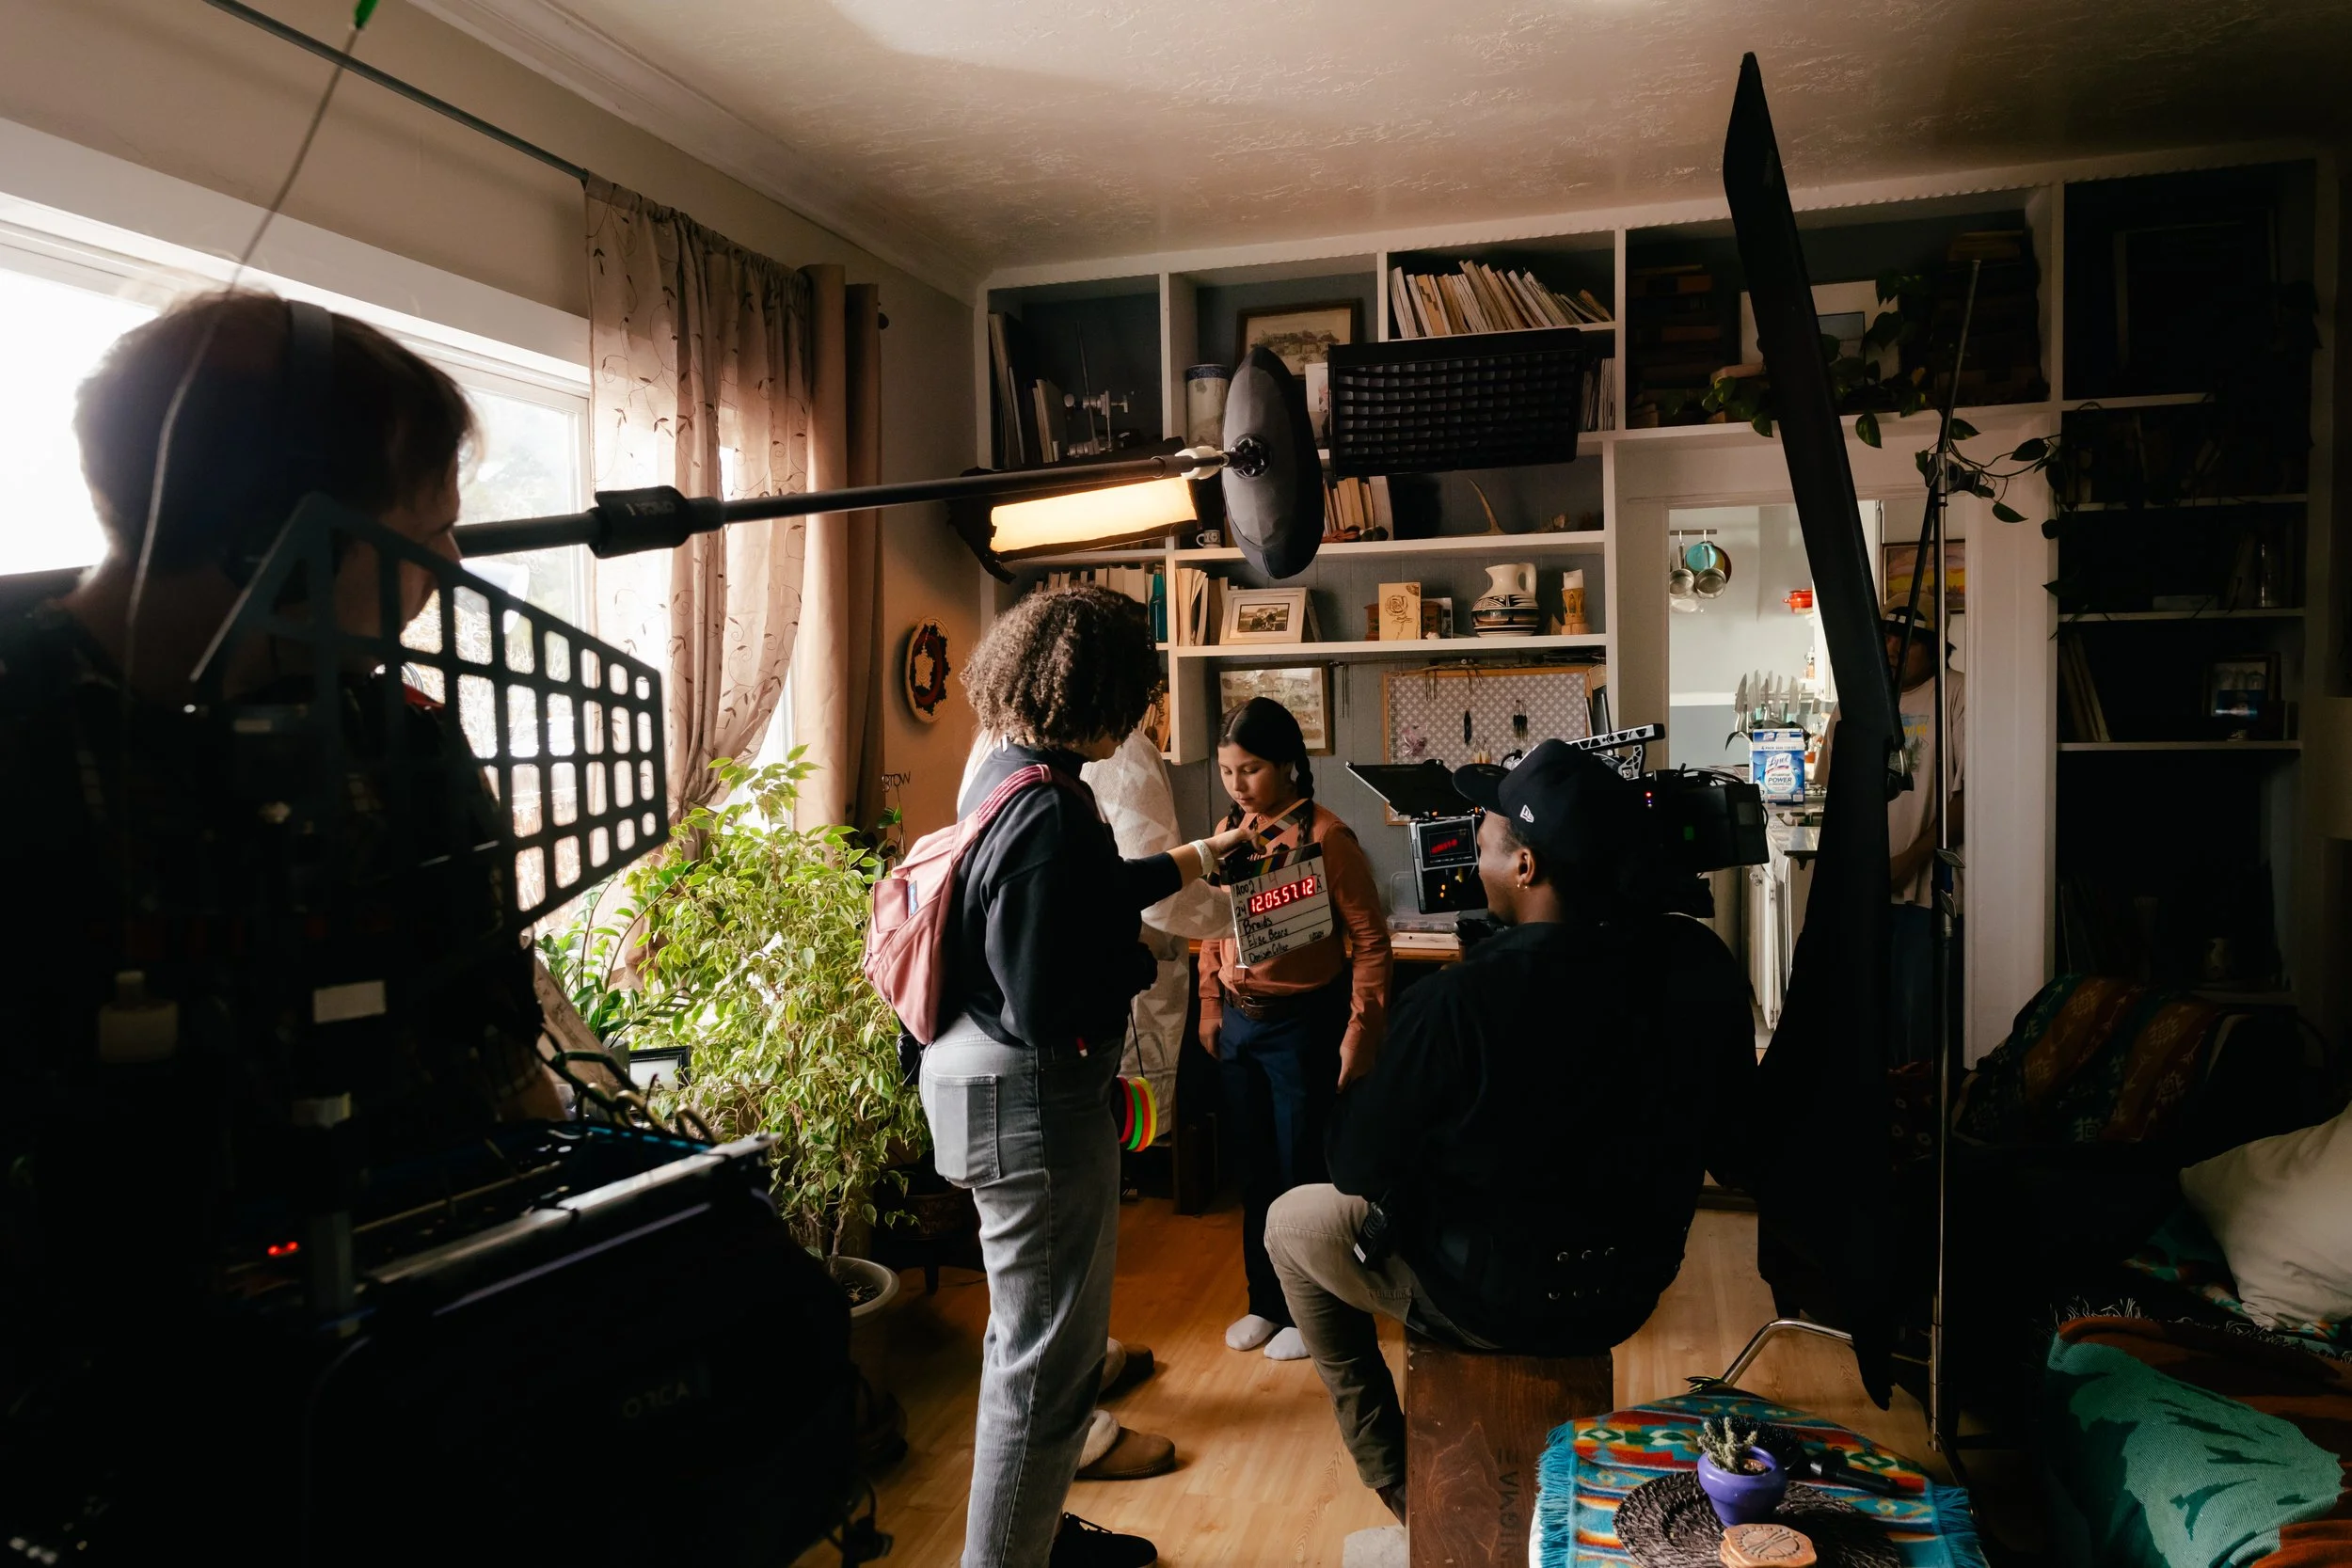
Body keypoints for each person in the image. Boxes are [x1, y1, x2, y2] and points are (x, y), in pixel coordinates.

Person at [0, 292, 564, 1547]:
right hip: (107, 1456)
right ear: (268, 531)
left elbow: (497, 1048)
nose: (451, 567)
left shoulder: (402, 741)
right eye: (424, 528)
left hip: (409, 1387)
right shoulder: (23, 744)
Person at [1262, 740, 1756, 1520]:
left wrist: (1359, 1069)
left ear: (1526, 867)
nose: (1473, 850)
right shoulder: (1700, 963)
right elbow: (1735, 1147)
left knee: (1289, 1225)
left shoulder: (1461, 1002)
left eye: (1485, 835)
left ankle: (1394, 1478)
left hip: (1491, 1295)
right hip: (1629, 1282)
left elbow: (1355, 1163)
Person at [930, 585, 1256, 1568]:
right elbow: (1050, 995)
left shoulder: (1003, 769)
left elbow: (1082, 889)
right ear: (1110, 694)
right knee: (1047, 1367)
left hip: (973, 1077)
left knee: (1027, 1346)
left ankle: (1036, 1534)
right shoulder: (1055, 811)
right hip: (1030, 1098)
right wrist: (1140, 959)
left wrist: (1196, 855)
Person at [1195, 698, 1391, 1362]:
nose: (1237, 784)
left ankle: (1313, 1312)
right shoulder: (1227, 830)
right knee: (1252, 1170)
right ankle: (1264, 1301)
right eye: (1227, 770)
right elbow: (1210, 923)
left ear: (1288, 766)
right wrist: (1208, 1004)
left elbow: (1370, 939)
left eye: (1249, 769)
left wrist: (1360, 1029)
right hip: (1240, 1023)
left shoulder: (1328, 837)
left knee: (1300, 1173)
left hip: (1303, 1025)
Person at [1884, 606, 1964, 1067]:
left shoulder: (1954, 693)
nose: (1893, 647)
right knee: (1877, 1022)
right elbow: (1834, 784)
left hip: (1928, 894)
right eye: (1889, 635)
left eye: (1908, 639)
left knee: (1922, 1027)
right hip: (1872, 891)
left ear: (1934, 648)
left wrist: (1912, 859)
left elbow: (1970, 797)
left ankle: (1922, 1128)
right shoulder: (1863, 700)